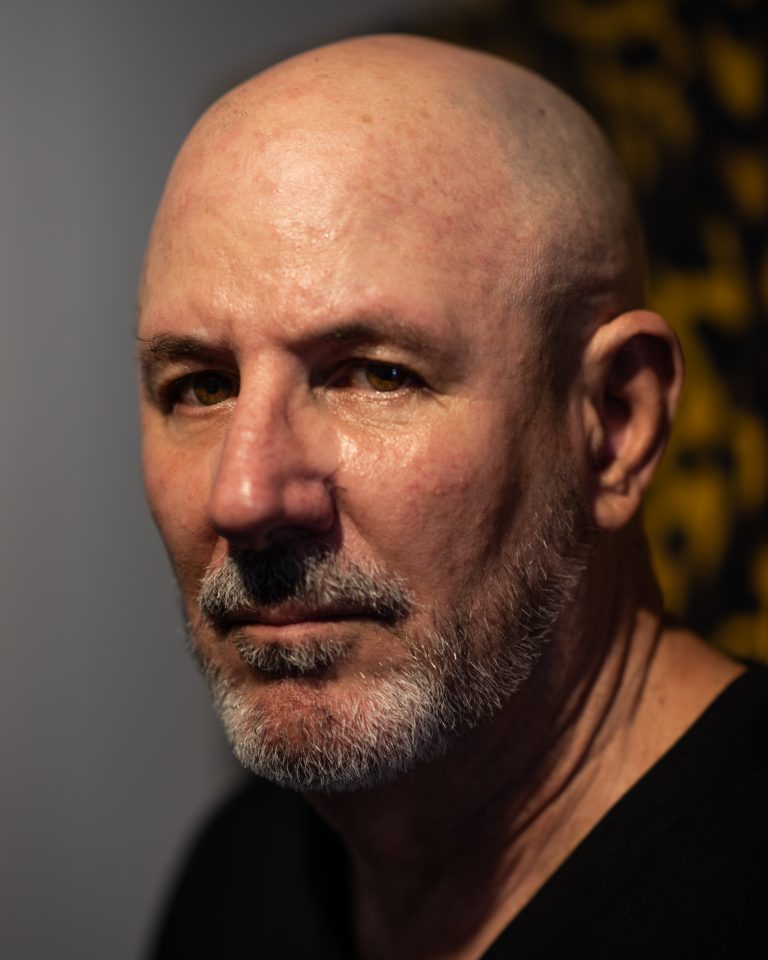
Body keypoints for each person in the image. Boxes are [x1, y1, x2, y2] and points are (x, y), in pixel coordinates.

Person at [138, 34, 767, 959]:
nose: (243, 495)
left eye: (375, 374)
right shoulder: (240, 877)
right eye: (201, 386)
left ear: (615, 422)